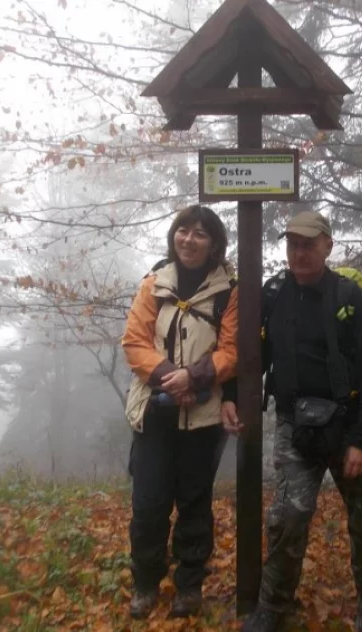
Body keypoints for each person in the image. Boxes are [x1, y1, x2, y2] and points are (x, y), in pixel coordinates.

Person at [222, 210, 362, 632]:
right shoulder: (274, 294)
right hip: (294, 428)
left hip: (348, 427)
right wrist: (230, 396)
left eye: (309, 244)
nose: (300, 252)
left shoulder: (349, 298)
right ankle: (273, 608)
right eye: (293, 243)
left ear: (328, 246)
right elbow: (250, 354)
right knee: (287, 519)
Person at [121, 204, 238, 619]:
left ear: (214, 244)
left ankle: (189, 585)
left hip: (202, 420)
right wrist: (174, 378)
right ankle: (146, 584)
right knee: (149, 504)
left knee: (194, 504)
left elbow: (232, 349)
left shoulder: (229, 290)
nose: (188, 239)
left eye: (199, 234)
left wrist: (197, 378)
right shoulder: (153, 284)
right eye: (182, 231)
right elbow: (134, 342)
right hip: (154, 414)